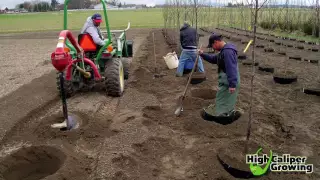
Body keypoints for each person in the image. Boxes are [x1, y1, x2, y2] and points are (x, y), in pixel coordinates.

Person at [198, 33, 241, 121]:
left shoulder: (228, 52)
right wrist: (202, 54)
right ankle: (224, 114)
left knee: (225, 101)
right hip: (227, 80)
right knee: (223, 99)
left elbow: (231, 68)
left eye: (212, 45)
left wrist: (232, 84)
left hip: (229, 81)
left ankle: (223, 118)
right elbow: (214, 59)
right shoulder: (224, 51)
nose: (213, 48)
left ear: (216, 42)